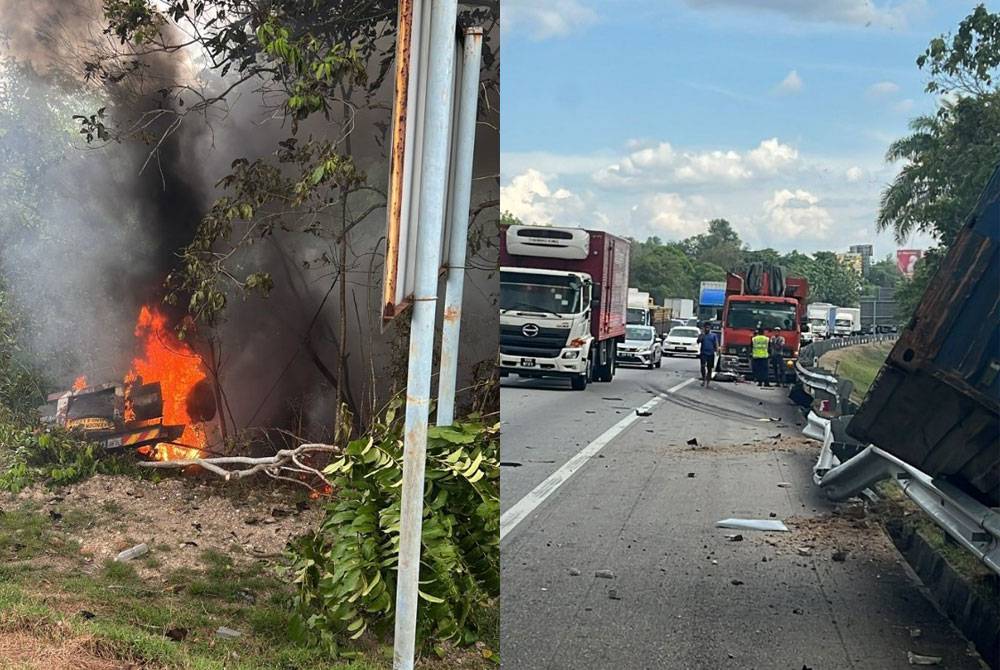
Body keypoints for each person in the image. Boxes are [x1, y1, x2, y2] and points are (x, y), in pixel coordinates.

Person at [696, 323, 719, 387]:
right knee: (702, 366)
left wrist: (717, 350)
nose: (707, 329)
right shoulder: (702, 335)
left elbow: (716, 343)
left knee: (709, 368)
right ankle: (704, 379)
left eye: (708, 328)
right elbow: (698, 341)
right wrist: (702, 335)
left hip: (711, 354)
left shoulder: (713, 335)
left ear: (710, 328)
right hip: (703, 353)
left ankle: (708, 382)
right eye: (706, 328)